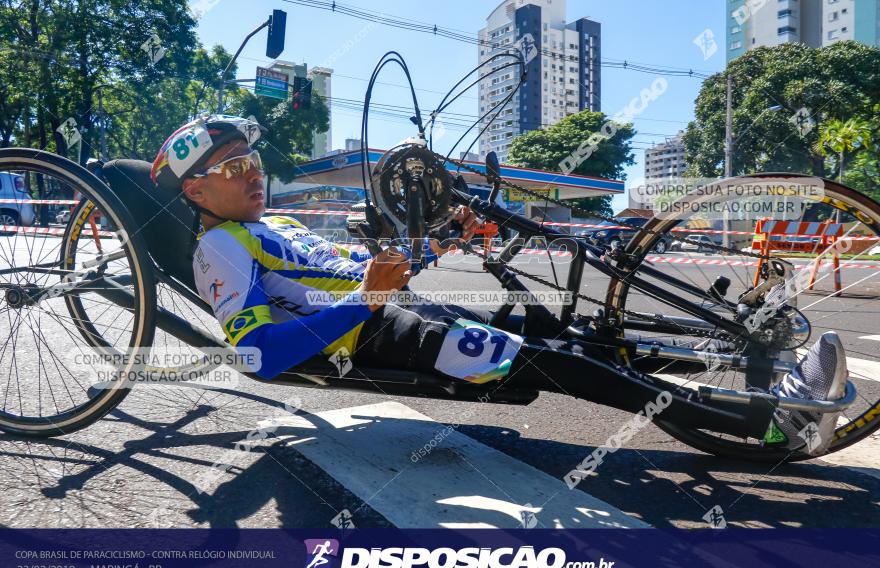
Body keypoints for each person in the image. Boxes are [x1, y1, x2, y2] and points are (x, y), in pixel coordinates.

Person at [150, 115, 849, 456]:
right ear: (194, 188)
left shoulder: (268, 224)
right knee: (564, 363)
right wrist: (368, 296)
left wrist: (416, 252)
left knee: (566, 328)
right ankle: (772, 422)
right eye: (229, 166)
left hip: (399, 310)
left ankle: (752, 377)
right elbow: (261, 355)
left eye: (249, 158)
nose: (250, 172)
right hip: (383, 334)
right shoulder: (218, 248)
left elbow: (355, 273)